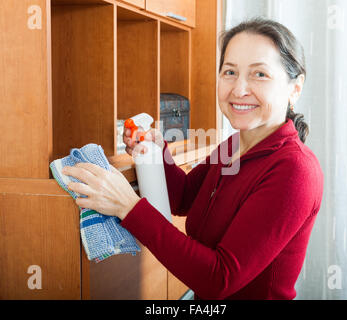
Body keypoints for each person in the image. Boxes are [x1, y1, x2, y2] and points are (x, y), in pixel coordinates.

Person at [62, 17, 324, 300]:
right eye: (230, 72)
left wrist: (128, 207)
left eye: (259, 74)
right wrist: (157, 151)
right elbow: (185, 197)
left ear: (294, 88)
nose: (238, 89)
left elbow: (219, 279)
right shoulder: (236, 144)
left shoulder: (296, 170)